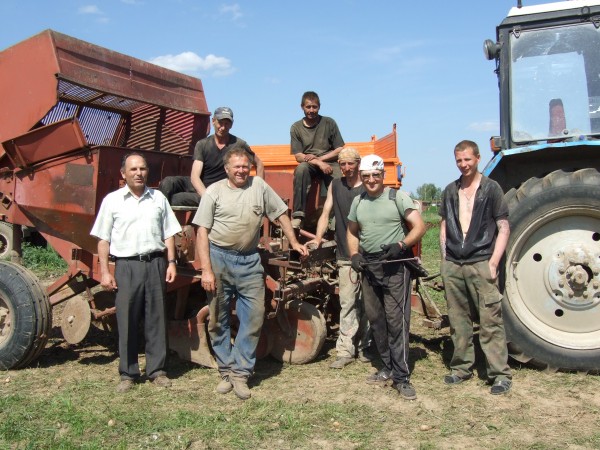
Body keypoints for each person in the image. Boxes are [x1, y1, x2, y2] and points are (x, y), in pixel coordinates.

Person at [193, 148, 308, 400]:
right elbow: (202, 231)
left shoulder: (259, 187)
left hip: (249, 260)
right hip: (219, 258)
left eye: (245, 166)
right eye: (236, 167)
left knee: (254, 316)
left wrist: (295, 242)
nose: (242, 170)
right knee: (217, 318)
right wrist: (206, 270)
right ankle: (226, 370)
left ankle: (241, 372)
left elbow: (280, 214)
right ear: (226, 169)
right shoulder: (214, 192)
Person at [90, 153, 182, 393]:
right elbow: (103, 239)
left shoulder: (159, 198)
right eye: (133, 169)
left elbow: (169, 233)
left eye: (142, 169)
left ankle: (157, 371)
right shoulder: (112, 201)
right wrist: (105, 272)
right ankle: (128, 373)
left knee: (157, 318)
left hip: (155, 264)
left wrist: (171, 262)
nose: (139, 173)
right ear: (123, 174)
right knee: (127, 319)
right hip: (127, 266)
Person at [347, 154, 426, 400]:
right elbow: (352, 231)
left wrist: (401, 245)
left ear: (383, 175)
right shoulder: (358, 201)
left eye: (375, 175)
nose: (371, 180)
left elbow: (420, 227)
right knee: (376, 319)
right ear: (362, 177)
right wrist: (354, 255)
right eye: (367, 176)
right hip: (370, 266)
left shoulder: (397, 197)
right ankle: (387, 367)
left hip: (395, 264)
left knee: (396, 320)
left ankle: (401, 377)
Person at [439, 140, 512, 395]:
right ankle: (461, 368)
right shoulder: (450, 190)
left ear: (478, 158)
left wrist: (493, 262)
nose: (463, 165)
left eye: (467, 159)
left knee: (490, 320)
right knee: (458, 320)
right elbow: (444, 226)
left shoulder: (491, 189)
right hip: (454, 265)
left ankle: (499, 374)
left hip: (481, 261)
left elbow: (503, 227)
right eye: (459, 160)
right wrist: (444, 259)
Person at [307, 147, 373, 369]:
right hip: (345, 255)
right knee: (347, 303)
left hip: (370, 256)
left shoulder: (368, 186)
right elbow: (326, 213)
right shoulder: (335, 185)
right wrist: (317, 239)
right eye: (342, 164)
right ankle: (345, 351)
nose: (346, 168)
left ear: (358, 163)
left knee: (369, 304)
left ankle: (365, 347)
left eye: (350, 163)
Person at [159, 106, 264, 206]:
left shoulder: (238, 144)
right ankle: (162, 220)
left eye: (227, 124)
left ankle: (173, 217)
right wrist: (206, 196)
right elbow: (195, 177)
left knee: (176, 198)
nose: (223, 127)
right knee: (168, 182)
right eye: (220, 123)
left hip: (219, 191)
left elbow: (259, 164)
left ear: (231, 125)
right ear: (213, 121)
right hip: (201, 185)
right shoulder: (203, 144)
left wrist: (258, 192)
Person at [290, 91, 345, 228]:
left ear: (319, 107)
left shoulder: (329, 123)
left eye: (314, 107)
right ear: (302, 107)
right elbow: (298, 156)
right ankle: (298, 215)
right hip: (310, 163)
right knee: (301, 170)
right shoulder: (296, 127)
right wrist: (318, 162)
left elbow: (340, 149)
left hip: (330, 160)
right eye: (308, 107)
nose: (311, 110)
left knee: (339, 180)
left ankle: (336, 218)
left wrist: (322, 158)